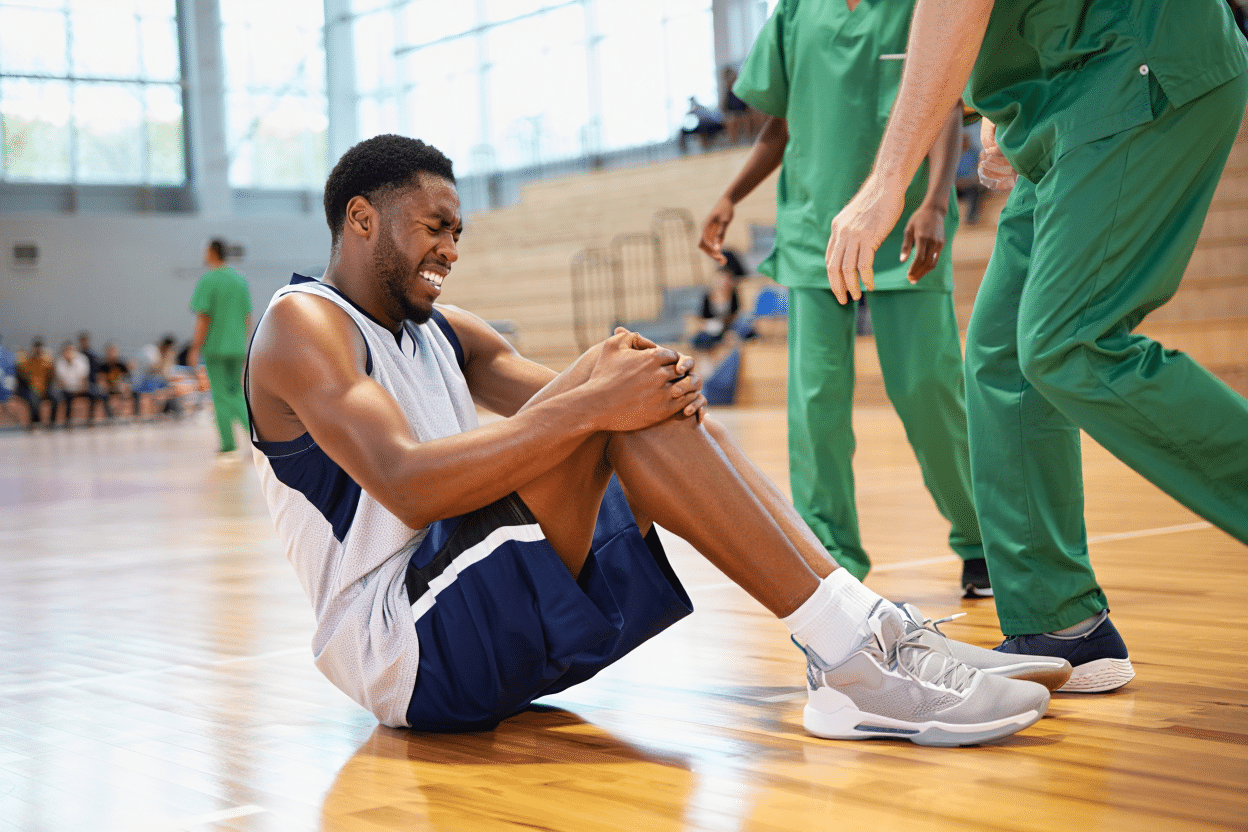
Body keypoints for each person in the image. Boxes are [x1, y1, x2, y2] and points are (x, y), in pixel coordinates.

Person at [244, 133, 1070, 746]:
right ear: (361, 218)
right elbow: (409, 484)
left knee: (623, 372)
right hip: (410, 652)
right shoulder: (302, 326)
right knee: (609, 396)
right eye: (435, 228)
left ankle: (868, 629)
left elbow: (597, 405)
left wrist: (643, 387)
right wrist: (600, 403)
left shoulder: (442, 331)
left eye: (458, 232)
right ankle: (853, 658)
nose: (450, 252)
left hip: (477, 615)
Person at [824, 0, 1248, 692]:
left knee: (1069, 342)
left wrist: (886, 181)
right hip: (1061, 92)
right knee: (1002, 359)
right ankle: (1061, 627)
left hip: (1132, 59)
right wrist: (998, 100)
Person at [699, 0, 989, 597]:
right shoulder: (795, 13)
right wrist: (731, 195)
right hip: (812, 232)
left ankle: (980, 541)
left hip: (906, 229)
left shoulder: (919, 6)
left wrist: (937, 201)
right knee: (815, 405)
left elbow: (942, 111)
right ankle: (833, 561)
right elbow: (780, 127)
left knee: (928, 392)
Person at [187, 239, 252, 454]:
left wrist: (195, 348)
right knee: (236, 393)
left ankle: (228, 444)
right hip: (237, 346)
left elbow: (203, 318)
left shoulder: (208, 279)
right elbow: (247, 316)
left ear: (213, 253)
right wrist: (246, 344)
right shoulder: (240, 280)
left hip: (216, 347)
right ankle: (256, 437)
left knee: (221, 395)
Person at [52, 340, 109, 426]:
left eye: (71, 350)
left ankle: (94, 419)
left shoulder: (81, 359)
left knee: (99, 394)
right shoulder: (59, 361)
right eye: (66, 350)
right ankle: (58, 423)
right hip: (66, 389)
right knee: (58, 398)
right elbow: (61, 381)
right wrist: (71, 390)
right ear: (63, 352)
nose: (69, 353)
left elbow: (84, 379)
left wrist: (79, 388)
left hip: (80, 388)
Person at [15, 337, 56, 428]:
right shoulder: (26, 360)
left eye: (40, 349)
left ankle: (52, 423)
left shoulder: (46, 361)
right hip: (30, 388)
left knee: (56, 398)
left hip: (44, 388)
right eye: (36, 349)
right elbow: (19, 369)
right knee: (33, 400)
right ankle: (36, 423)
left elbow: (51, 376)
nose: (38, 352)